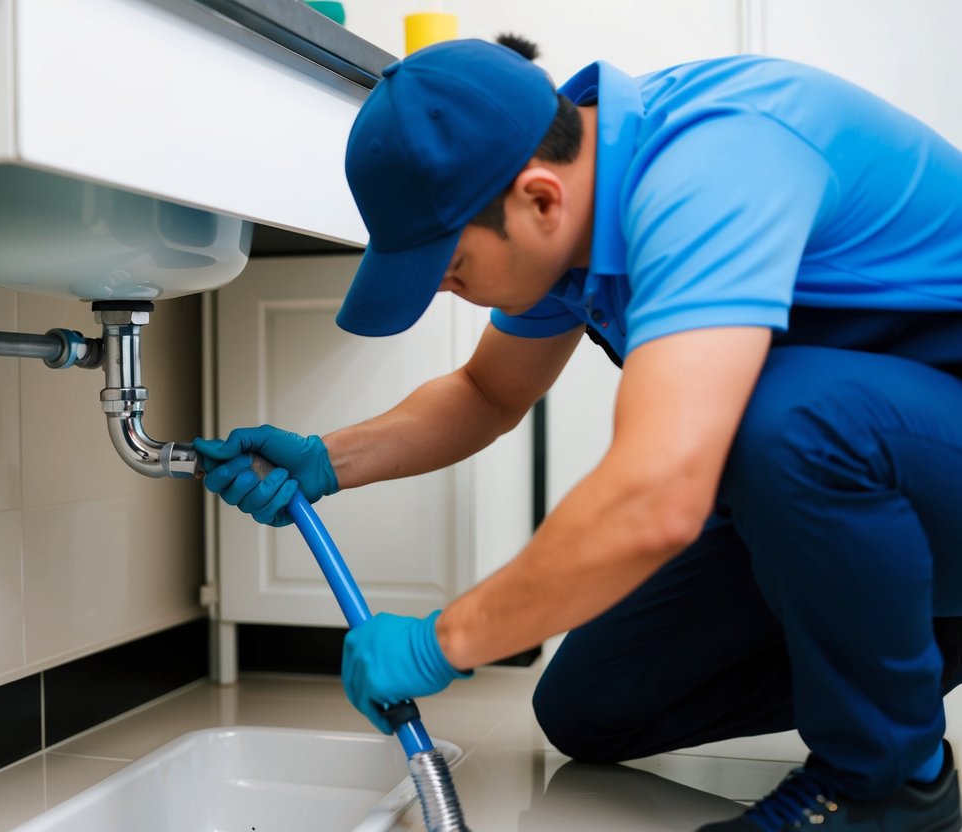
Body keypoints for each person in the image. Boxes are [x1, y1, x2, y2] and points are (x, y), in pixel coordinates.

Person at [194, 34, 962, 831]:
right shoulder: (577, 214)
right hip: (891, 485)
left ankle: (890, 780)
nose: (449, 293)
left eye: (452, 269)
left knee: (789, 419)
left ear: (538, 199)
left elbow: (659, 495)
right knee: (589, 708)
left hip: (909, 452)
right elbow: (487, 390)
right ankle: (903, 639)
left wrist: (441, 639)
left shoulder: (714, 168)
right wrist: (327, 461)